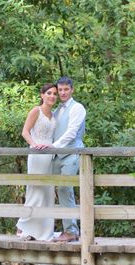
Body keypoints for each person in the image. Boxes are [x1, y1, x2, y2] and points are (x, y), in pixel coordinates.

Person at [15, 83, 58, 241]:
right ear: (42, 95)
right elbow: (25, 132)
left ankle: (42, 230)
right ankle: (23, 225)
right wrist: (34, 145)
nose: (52, 96)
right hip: (37, 153)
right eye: (48, 93)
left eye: (54, 93)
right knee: (35, 189)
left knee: (47, 192)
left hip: (49, 155)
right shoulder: (36, 110)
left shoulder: (54, 115)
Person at [51, 76, 86, 242]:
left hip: (71, 153)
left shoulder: (77, 108)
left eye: (66, 89)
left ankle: (71, 230)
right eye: (60, 90)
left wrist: (54, 146)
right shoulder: (56, 110)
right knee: (48, 189)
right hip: (56, 155)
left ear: (72, 90)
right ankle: (43, 229)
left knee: (65, 189)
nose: (63, 93)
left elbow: (72, 133)